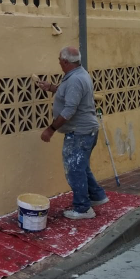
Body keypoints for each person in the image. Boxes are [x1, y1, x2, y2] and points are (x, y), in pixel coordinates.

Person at [37, 47, 109, 219]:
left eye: (60, 60)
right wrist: (51, 87)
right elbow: (69, 94)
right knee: (81, 166)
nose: (59, 63)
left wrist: (50, 129)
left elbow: (69, 110)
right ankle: (97, 196)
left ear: (66, 62)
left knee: (74, 169)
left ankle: (83, 209)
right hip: (86, 131)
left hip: (80, 133)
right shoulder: (77, 75)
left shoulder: (76, 79)